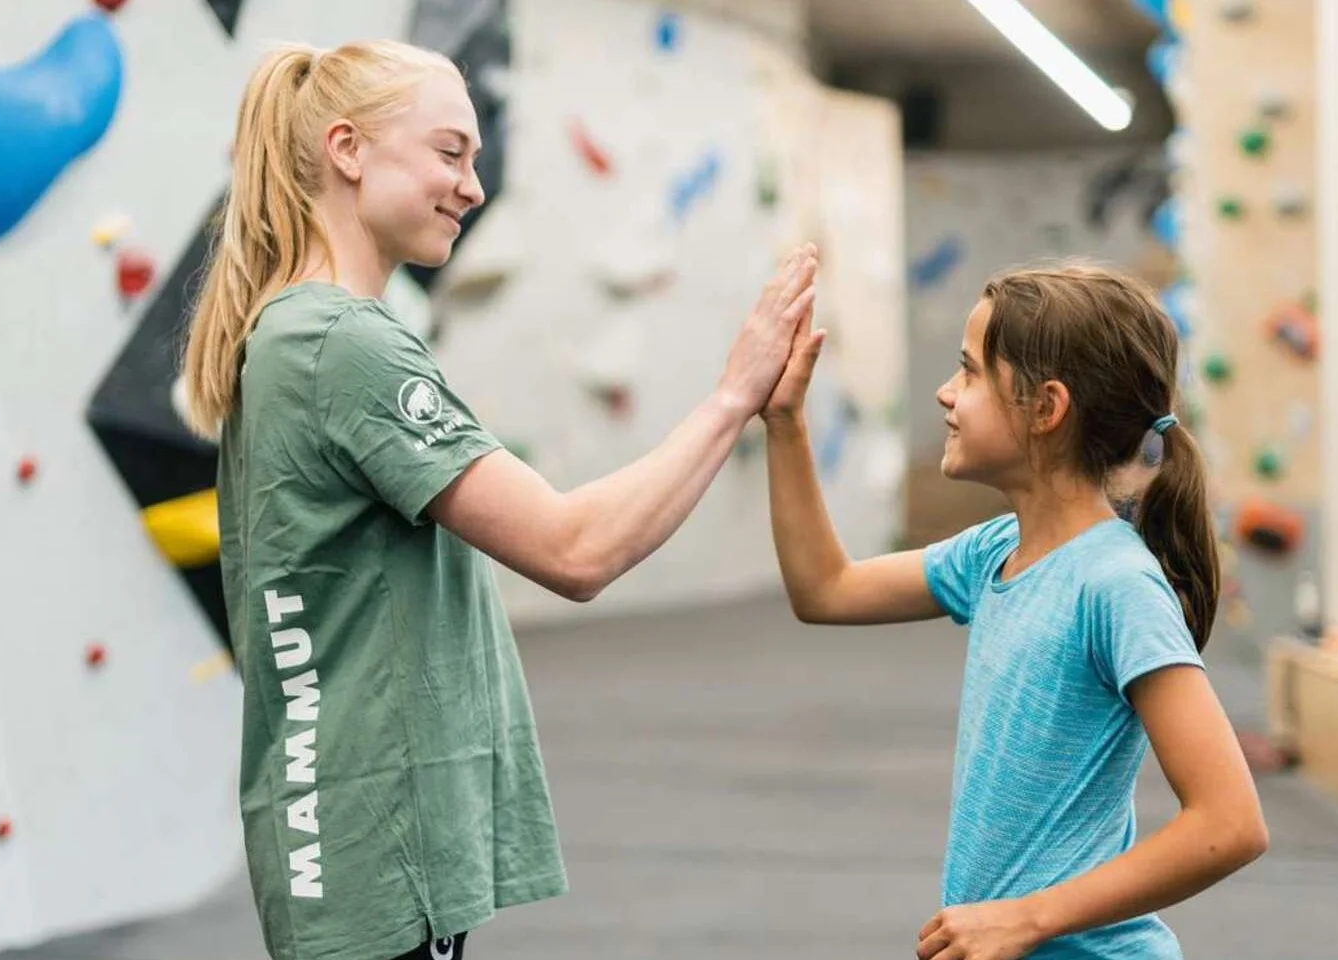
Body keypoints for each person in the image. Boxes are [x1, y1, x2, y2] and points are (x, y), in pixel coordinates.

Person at [178, 40, 817, 960]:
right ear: (349, 150)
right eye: (450, 153)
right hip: (373, 854)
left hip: (354, 846)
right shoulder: (339, 344)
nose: (473, 188)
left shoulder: (302, 334)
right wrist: (732, 397)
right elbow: (576, 549)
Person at [760, 263, 1266, 960]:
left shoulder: (1115, 584)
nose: (944, 393)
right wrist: (784, 422)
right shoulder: (997, 551)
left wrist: (1028, 918)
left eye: (968, 373)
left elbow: (1230, 822)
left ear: (1045, 408)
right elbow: (825, 588)